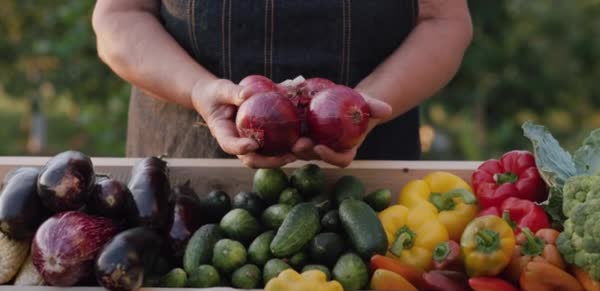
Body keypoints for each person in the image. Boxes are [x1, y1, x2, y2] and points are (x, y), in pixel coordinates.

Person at [92, 0, 473, 168]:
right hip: (186, 165)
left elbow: (444, 20)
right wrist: (197, 90)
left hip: (368, 169)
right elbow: (120, 15)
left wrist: (368, 104)